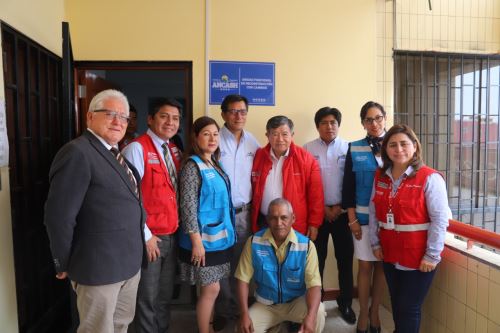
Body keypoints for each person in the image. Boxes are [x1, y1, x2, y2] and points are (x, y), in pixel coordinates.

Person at [44, 89, 146, 333]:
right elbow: (58, 215)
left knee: (121, 325)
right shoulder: (77, 152)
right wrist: (64, 261)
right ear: (90, 117)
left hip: (128, 264)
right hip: (97, 267)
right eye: (110, 114)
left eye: (123, 117)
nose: (117, 121)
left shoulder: (115, 154)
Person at [369, 124, 449, 333]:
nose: (399, 149)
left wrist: (432, 255)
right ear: (385, 149)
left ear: (414, 146)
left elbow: (440, 220)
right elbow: (373, 211)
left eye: (404, 144)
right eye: (392, 145)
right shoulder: (381, 176)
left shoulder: (430, 178)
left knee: (409, 307)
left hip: (418, 255)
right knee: (396, 303)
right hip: (389, 251)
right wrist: (375, 242)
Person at [122, 98, 183, 333]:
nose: (170, 122)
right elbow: (130, 197)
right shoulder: (138, 148)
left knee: (164, 296)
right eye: (164, 116)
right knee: (147, 298)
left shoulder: (172, 149)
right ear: (151, 119)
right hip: (150, 239)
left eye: (176, 118)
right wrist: (146, 236)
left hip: (171, 234)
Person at [177, 116, 236, 333]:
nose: (212, 138)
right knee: (211, 289)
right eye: (206, 134)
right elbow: (188, 207)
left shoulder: (214, 162)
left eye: (215, 134)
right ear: (195, 137)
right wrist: (196, 242)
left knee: (210, 290)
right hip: (202, 242)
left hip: (217, 241)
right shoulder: (193, 166)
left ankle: (209, 327)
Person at [235, 198, 326, 333]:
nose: (279, 223)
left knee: (318, 312)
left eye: (284, 218)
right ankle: (277, 325)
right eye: (273, 218)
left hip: (296, 303)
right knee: (242, 328)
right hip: (266, 305)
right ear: (267, 219)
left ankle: (283, 325)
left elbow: (314, 286)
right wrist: (244, 314)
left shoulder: (306, 246)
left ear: (293, 218)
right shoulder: (254, 242)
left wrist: (310, 317)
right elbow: (242, 280)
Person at [303, 107, 355, 324]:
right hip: (318, 214)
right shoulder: (307, 149)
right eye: (324, 122)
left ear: (338, 125)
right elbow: (305, 183)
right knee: (317, 261)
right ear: (317, 126)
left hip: (343, 214)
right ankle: (318, 304)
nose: (329, 126)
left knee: (345, 260)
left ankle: (345, 303)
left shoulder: (348, 148)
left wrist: (340, 207)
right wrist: (322, 209)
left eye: (333, 122)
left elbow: (351, 183)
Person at [213, 94, 260, 330]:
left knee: (241, 263)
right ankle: (222, 310)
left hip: (244, 213)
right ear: (223, 114)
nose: (238, 116)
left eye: (242, 111)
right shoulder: (214, 139)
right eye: (232, 111)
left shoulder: (254, 142)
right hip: (219, 215)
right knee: (221, 263)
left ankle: (238, 309)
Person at [342, 101, 387, 333]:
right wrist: (351, 219)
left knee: (381, 267)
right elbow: (348, 188)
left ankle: (375, 312)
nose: (374, 123)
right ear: (362, 123)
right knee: (365, 267)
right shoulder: (355, 147)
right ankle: (362, 314)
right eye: (369, 119)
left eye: (378, 118)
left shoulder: (396, 144)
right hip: (362, 220)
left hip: (388, 221)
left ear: (385, 118)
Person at [251, 115, 324, 240]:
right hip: (264, 222)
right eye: (274, 134)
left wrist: (314, 224)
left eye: (285, 134)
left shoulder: (306, 159)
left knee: (292, 259)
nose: (280, 139)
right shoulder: (259, 156)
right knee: (265, 258)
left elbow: (316, 195)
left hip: (293, 224)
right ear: (267, 135)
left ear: (292, 135)